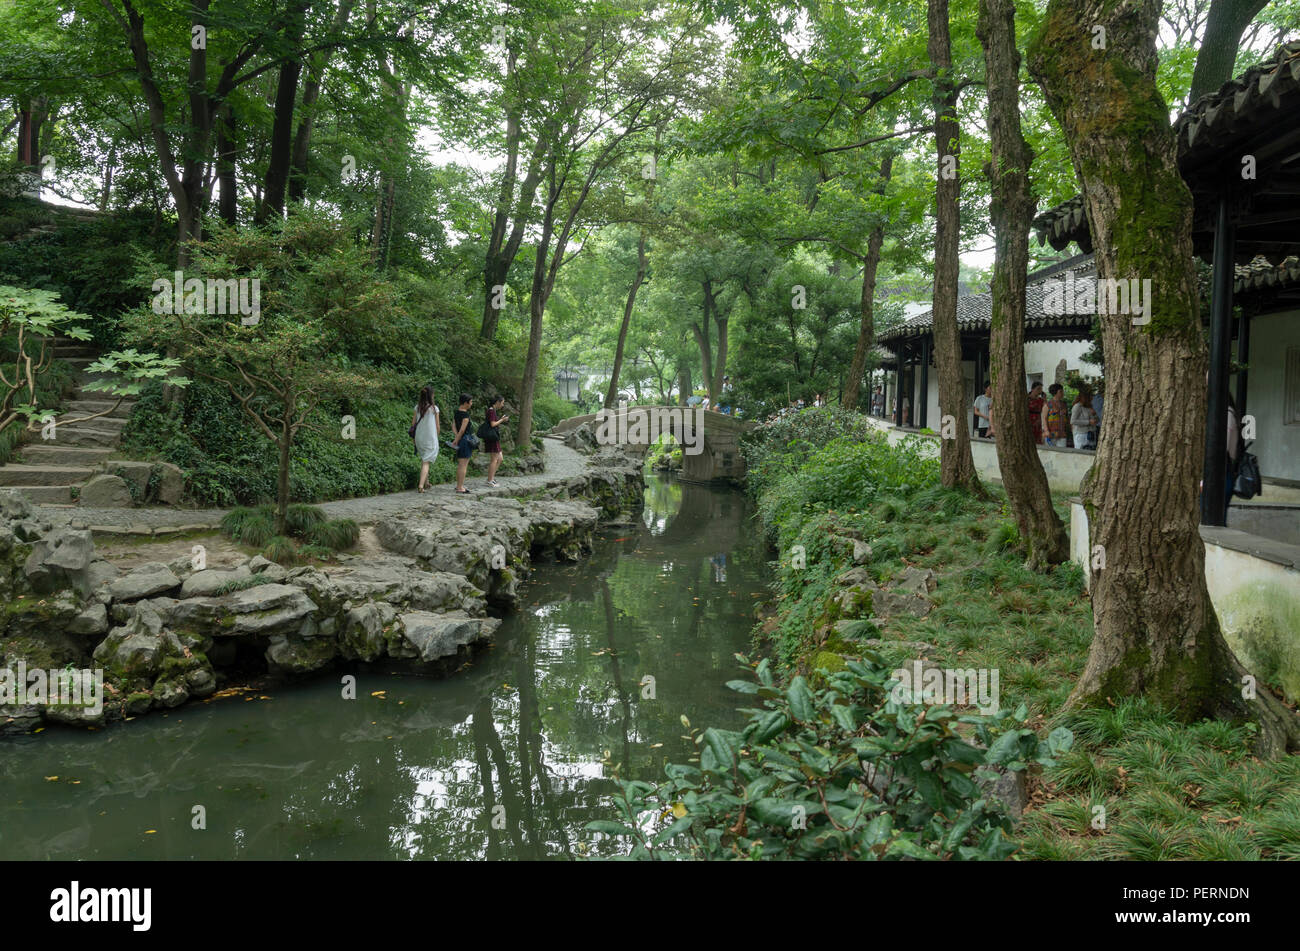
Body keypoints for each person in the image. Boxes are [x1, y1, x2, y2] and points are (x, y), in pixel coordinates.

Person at [410, 385, 442, 493]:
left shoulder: (417, 407)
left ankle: (426, 482)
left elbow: (413, 424)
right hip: (430, 438)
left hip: (419, 437)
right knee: (426, 462)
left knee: (424, 459)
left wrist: (413, 438)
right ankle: (420, 486)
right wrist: (436, 436)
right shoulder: (434, 409)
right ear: (431, 396)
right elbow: (437, 426)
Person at [449, 392, 474, 494]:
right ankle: (460, 487)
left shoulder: (457, 412)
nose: (471, 404)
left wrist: (456, 437)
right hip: (465, 440)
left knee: (460, 464)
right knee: (464, 464)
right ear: (465, 403)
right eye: (471, 402)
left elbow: (453, 425)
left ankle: (458, 485)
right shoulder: (465, 414)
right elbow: (463, 430)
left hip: (460, 439)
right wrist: (457, 439)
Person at [483, 395, 509, 487]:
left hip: (495, 438)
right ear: (497, 402)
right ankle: (489, 480)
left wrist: (500, 419)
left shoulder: (493, 411)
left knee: (500, 459)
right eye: (502, 403)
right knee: (494, 459)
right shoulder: (491, 410)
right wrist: (502, 420)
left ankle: (491, 478)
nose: (503, 405)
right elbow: (493, 424)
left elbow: (493, 422)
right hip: (492, 438)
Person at [1041, 383, 1069, 448]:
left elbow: (1067, 417)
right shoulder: (1048, 405)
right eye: (1060, 391)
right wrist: (1046, 431)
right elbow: (1044, 418)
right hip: (1050, 434)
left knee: (1062, 453)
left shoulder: (1064, 404)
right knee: (1050, 454)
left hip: (1062, 434)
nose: (1062, 393)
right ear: (1055, 392)